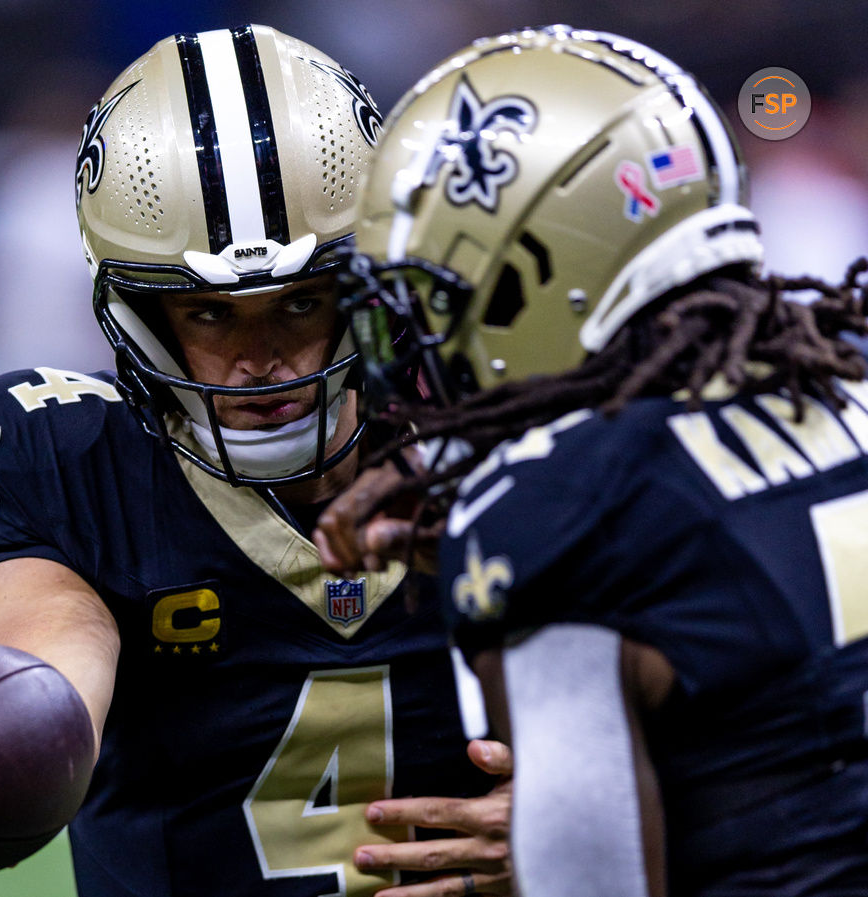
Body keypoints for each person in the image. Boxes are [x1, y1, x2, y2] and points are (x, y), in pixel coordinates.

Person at [0, 25, 514, 897]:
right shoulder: (67, 454)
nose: (262, 360)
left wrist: (568, 824)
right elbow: (57, 654)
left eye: (300, 302)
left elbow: (716, 722)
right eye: (212, 315)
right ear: (143, 315)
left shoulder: (499, 442)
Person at [319, 25, 868, 897]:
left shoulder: (557, 514)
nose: (422, 348)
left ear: (530, 276)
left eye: (433, 303)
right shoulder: (847, 381)